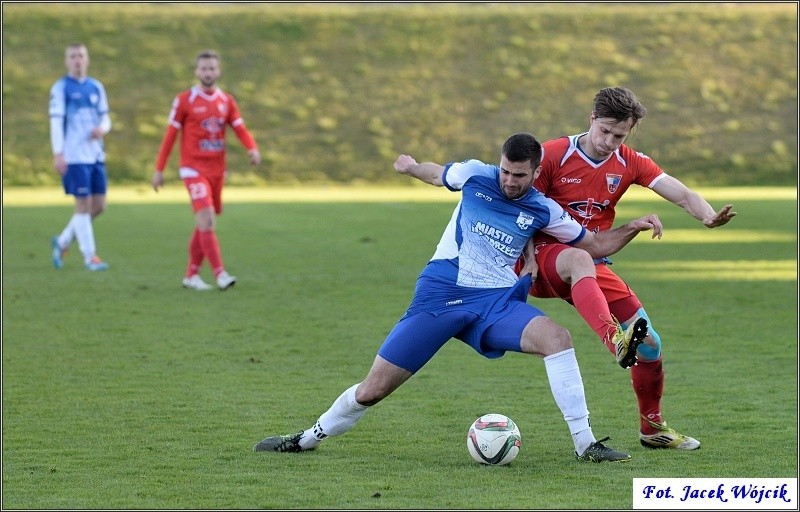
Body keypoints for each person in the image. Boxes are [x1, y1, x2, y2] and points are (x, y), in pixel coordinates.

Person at [254, 133, 665, 462]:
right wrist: (411, 166)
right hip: (440, 297)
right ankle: (307, 438)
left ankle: (585, 444)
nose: (509, 181)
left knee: (558, 340)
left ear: (535, 173)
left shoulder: (544, 210)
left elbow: (592, 244)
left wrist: (632, 226)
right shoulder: (475, 175)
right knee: (372, 391)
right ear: (498, 164)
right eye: (506, 171)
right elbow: (438, 174)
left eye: (520, 176)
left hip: (495, 305)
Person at [514, 86, 737, 451]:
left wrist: (708, 216)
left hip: (591, 261)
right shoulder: (553, 154)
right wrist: (529, 259)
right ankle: (614, 340)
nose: (609, 142)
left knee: (649, 343)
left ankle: (652, 428)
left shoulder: (630, 161)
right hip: (541, 259)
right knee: (581, 261)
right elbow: (520, 209)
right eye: (605, 132)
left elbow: (680, 193)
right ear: (591, 120)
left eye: (619, 136)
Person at [151, 49, 261, 291]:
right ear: (196, 71)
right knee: (207, 218)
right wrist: (159, 169)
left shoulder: (226, 101)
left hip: (216, 170)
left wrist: (252, 148)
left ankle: (191, 275)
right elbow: (170, 136)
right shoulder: (184, 100)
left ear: (218, 71)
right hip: (193, 168)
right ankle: (220, 274)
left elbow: (240, 128)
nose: (208, 72)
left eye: (211, 68)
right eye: (203, 68)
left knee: (205, 222)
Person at [49, 43, 111, 271]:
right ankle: (90, 257)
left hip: (95, 155)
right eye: (73, 56)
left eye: (81, 56)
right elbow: (56, 122)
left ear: (87, 59)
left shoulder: (96, 87)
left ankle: (63, 241)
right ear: (67, 61)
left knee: (99, 206)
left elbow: (106, 118)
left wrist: (102, 129)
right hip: (74, 156)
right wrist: (58, 153)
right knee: (82, 205)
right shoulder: (61, 88)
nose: (77, 60)